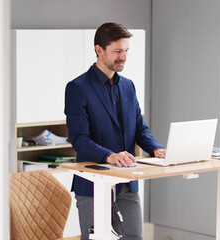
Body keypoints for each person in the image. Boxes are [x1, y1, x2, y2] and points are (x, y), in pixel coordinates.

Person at [64, 22, 166, 240]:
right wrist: (109, 155)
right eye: (117, 51)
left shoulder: (128, 86)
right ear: (99, 50)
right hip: (94, 184)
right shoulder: (78, 88)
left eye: (126, 51)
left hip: (127, 182)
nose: (124, 57)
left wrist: (155, 148)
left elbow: (140, 128)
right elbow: (79, 139)